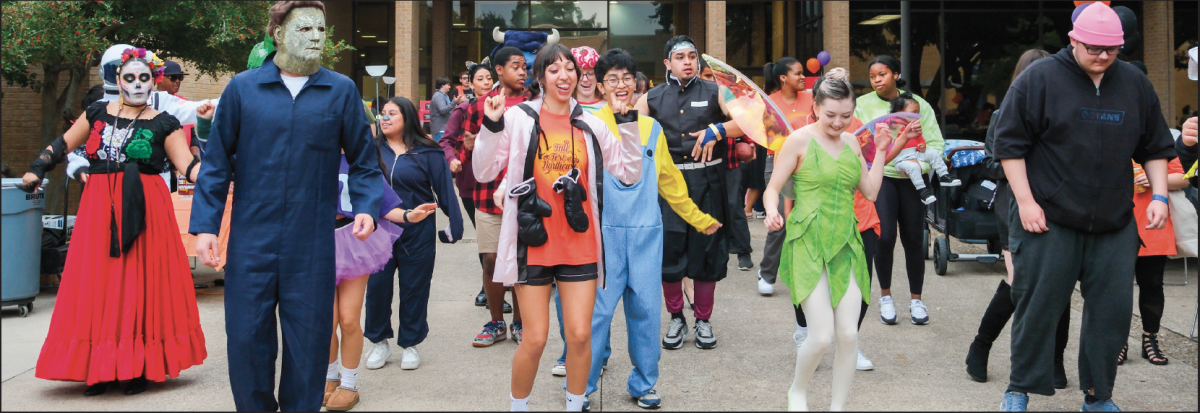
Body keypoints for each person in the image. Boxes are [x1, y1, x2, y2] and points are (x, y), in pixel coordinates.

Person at [190, 2, 385, 411]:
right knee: (246, 338)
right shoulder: (243, 89)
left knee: (309, 340)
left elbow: (365, 161)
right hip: (252, 238)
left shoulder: (340, 90)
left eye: (321, 29)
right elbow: (216, 164)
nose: (316, 36)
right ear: (278, 34)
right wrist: (206, 226)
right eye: (305, 28)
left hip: (311, 239)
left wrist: (366, 206)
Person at [993, 3, 1176, 411]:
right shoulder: (1039, 80)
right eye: (1094, 48)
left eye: (1111, 50)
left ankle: (1098, 396)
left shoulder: (1134, 84)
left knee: (1111, 313)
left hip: (1113, 221)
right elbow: (1009, 145)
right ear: (1074, 39)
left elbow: (1157, 147)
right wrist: (1025, 202)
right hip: (1048, 217)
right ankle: (1019, 388)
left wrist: (1161, 196)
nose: (1103, 57)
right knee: (1038, 305)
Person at [22, 47, 206, 396]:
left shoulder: (164, 122)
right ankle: (99, 367)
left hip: (146, 209)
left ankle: (135, 366)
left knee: (139, 284)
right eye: (130, 78)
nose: (137, 84)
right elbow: (63, 145)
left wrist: (222, 176)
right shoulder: (96, 113)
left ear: (154, 81)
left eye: (144, 78)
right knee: (97, 283)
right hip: (98, 209)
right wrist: (37, 167)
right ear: (118, 81)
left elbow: (188, 166)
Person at [473, 43, 643, 412]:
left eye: (570, 69)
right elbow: (484, 172)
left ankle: (574, 404)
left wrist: (626, 122)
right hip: (533, 243)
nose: (564, 75)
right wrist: (491, 124)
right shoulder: (518, 118)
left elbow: (630, 173)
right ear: (541, 77)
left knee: (581, 336)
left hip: (579, 242)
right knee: (534, 338)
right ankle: (519, 407)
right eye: (554, 69)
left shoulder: (593, 123)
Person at [573, 48, 721, 410]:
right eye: (612, 79)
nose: (620, 85)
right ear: (601, 86)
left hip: (646, 233)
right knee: (598, 314)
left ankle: (644, 384)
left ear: (637, 84)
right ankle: (582, 387)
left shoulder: (651, 128)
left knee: (645, 312)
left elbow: (670, 182)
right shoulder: (587, 125)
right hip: (604, 234)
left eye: (626, 78)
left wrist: (699, 219)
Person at [763, 67, 891, 411]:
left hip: (846, 242)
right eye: (831, 115)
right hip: (807, 241)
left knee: (849, 334)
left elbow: (871, 191)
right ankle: (798, 390)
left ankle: (837, 407)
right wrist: (773, 211)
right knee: (820, 337)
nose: (839, 122)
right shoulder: (799, 140)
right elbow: (772, 188)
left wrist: (879, 151)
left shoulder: (852, 141)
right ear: (816, 107)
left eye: (846, 116)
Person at [966, 49, 1072, 389]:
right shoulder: (1005, 112)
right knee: (1019, 283)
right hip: (1014, 206)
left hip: (1059, 207)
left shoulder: (1063, 112)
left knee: (1061, 284)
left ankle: (1055, 359)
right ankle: (980, 346)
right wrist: (1026, 167)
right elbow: (992, 162)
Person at [634, 35, 747, 350]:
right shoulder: (652, 98)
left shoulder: (717, 92)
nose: (687, 62)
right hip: (667, 190)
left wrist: (718, 129)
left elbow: (748, 122)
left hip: (707, 185)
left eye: (692, 56)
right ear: (668, 63)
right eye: (680, 57)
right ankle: (675, 318)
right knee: (669, 256)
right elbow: (629, 135)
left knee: (707, 253)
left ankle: (703, 320)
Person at [325, 155, 435, 411]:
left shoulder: (361, 163)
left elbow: (383, 205)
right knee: (325, 321)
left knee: (349, 318)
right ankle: (330, 377)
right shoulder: (310, 156)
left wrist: (409, 215)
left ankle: (349, 384)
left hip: (353, 241)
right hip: (315, 241)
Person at [363, 97, 464, 371]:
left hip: (417, 231)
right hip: (379, 231)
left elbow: (445, 190)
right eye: (382, 114)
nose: (384, 118)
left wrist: (455, 224)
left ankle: (410, 344)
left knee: (414, 289)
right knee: (378, 290)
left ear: (406, 118)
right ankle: (378, 342)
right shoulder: (371, 150)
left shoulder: (428, 153)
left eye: (391, 114)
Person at [854, 54, 944, 326]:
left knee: (914, 239)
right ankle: (886, 296)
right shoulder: (862, 104)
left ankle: (916, 300)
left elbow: (937, 144)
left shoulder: (920, 105)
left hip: (912, 179)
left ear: (895, 74)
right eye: (872, 76)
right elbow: (857, 141)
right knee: (884, 238)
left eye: (882, 74)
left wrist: (918, 163)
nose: (877, 80)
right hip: (881, 179)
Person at [465, 46, 534, 347]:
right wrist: (468, 146)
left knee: (520, 263)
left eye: (524, 67)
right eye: (516, 66)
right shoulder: (481, 105)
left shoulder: (535, 106)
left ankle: (520, 323)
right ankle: (496, 322)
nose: (522, 72)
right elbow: (466, 145)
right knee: (491, 261)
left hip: (523, 197)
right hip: (485, 195)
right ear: (499, 70)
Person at [1115, 157, 1187, 368]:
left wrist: (1157, 178)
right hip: (1117, 223)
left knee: (1153, 285)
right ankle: (1118, 342)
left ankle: (1150, 339)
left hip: (1154, 223)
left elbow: (1184, 177)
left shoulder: (1156, 143)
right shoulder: (1113, 135)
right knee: (1118, 289)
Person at [440, 63, 495, 307]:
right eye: (480, 78)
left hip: (499, 183)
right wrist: (452, 160)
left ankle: (498, 286)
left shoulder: (505, 107)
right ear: (470, 83)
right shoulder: (463, 109)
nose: (485, 82)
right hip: (471, 183)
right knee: (486, 239)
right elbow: (446, 141)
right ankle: (489, 286)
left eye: (488, 78)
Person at [757, 56, 813, 295]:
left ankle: (806, 273)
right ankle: (767, 274)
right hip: (777, 161)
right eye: (798, 73)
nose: (803, 77)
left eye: (803, 73)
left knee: (809, 219)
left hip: (810, 161)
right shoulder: (769, 102)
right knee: (779, 218)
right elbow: (762, 133)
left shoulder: (812, 99)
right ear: (783, 78)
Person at [886, 92, 961, 204]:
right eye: (913, 113)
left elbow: (919, 138)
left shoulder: (915, 125)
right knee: (913, 167)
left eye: (918, 113)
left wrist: (922, 144)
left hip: (915, 152)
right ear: (899, 112)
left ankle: (943, 175)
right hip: (900, 158)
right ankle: (922, 191)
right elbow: (888, 146)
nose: (917, 116)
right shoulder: (892, 126)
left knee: (933, 153)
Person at [571, 46, 604, 112]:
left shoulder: (610, 106)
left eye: (590, 73)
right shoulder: (564, 107)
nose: (585, 79)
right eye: (579, 73)